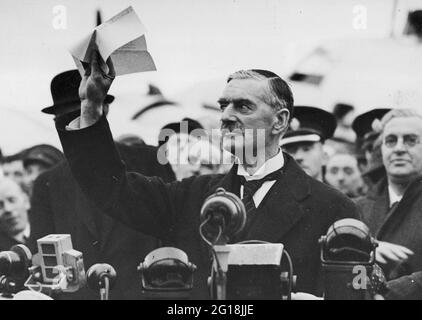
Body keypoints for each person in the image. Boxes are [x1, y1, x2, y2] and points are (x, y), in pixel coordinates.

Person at [55, 50, 360, 299]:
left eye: (243, 106)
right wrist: (92, 106)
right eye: (223, 105)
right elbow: (113, 189)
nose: (226, 116)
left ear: (280, 121)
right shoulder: (191, 196)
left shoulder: (334, 208)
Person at [29, 69, 175, 300]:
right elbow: (40, 249)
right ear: (56, 123)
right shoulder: (48, 182)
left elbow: (172, 234)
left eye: (82, 115)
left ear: (102, 109)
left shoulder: (148, 160)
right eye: (66, 120)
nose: (76, 127)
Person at [356, 109, 422, 281]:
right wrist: (364, 250)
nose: (399, 149)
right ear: (382, 149)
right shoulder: (354, 208)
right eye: (391, 141)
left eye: (411, 140)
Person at [280, 106, 337, 182]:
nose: (298, 157)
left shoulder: (336, 194)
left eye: (307, 149)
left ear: (324, 157)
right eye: (291, 150)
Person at [0, 178, 30, 251]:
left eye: (12, 200)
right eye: (0, 205)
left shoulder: (46, 230)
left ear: (26, 201)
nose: (8, 209)